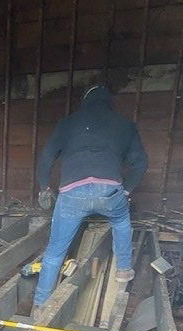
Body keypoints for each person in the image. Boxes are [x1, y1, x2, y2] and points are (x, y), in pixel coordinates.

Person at [33, 85, 148, 314]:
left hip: (72, 193)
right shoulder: (125, 125)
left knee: (55, 251)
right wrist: (125, 191)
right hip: (110, 191)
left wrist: (44, 187)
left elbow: (46, 157)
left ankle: (40, 303)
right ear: (108, 103)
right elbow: (141, 163)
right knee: (121, 221)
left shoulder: (67, 123)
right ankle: (123, 268)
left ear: (85, 101)